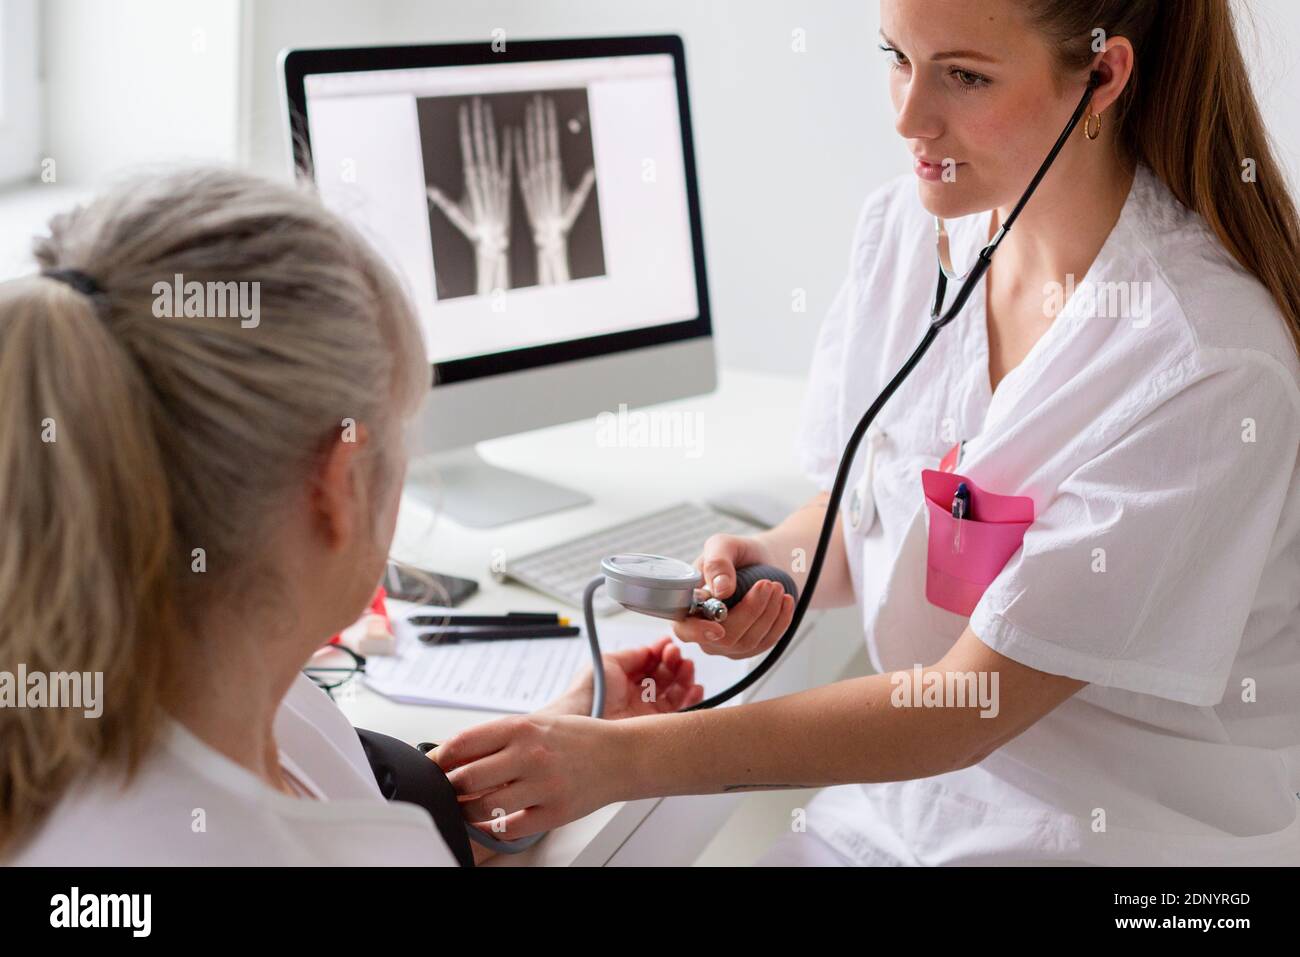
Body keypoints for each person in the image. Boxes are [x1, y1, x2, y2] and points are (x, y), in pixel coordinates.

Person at [432, 0, 1300, 865]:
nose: (906, 116)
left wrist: (619, 761)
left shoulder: (1204, 361)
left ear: (1103, 76)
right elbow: (878, 511)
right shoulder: (909, 234)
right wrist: (773, 559)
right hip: (909, 811)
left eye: (964, 75)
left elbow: (968, 707)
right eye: (897, 57)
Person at [0, 168, 703, 866]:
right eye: (403, 431)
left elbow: (375, 804)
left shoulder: (235, 696)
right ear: (337, 485)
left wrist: (562, 731)